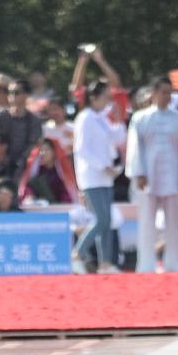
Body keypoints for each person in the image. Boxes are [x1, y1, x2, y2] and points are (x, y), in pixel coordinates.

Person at [126, 77, 178, 273]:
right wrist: (139, 173)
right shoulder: (140, 118)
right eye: (163, 91)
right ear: (153, 93)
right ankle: (146, 264)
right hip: (149, 176)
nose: (166, 96)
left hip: (173, 176)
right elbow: (135, 148)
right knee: (147, 223)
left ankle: (174, 263)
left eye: (169, 92)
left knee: (173, 222)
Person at [73, 81, 126, 274]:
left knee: (107, 219)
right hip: (91, 176)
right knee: (102, 219)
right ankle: (77, 254)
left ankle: (105, 263)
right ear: (93, 97)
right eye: (105, 97)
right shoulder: (84, 118)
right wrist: (102, 166)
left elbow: (118, 138)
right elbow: (81, 149)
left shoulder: (102, 119)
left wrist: (119, 118)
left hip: (105, 176)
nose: (107, 101)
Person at [0, 79, 42, 177]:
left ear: (26, 95)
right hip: (2, 167)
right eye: (9, 92)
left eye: (16, 92)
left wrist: (20, 163)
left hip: (23, 167)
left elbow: (32, 145)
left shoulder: (34, 120)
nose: (12, 96)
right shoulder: (2, 115)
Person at [18, 139, 76, 204]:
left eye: (46, 150)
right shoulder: (36, 172)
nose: (42, 153)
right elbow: (28, 188)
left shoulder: (60, 173)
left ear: (54, 152)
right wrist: (29, 197)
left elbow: (67, 193)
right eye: (41, 150)